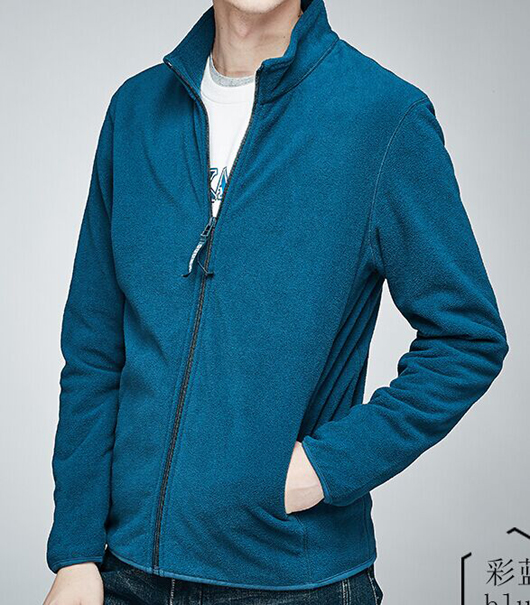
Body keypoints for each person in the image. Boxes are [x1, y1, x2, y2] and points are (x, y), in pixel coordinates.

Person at [43, 0, 509, 603]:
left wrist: (324, 467)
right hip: (124, 572)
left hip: (291, 579)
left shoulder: (383, 117)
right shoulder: (135, 112)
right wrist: (75, 551)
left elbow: (468, 339)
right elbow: (94, 349)